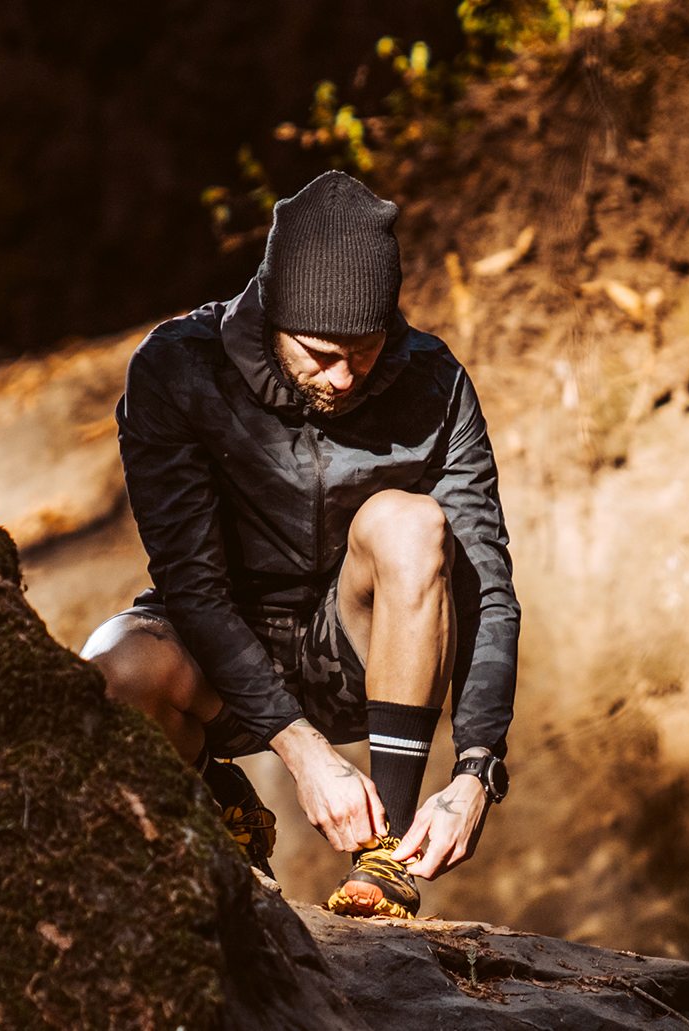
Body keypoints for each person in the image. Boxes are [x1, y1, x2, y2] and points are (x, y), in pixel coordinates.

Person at [82, 170, 518, 919]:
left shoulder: (434, 381)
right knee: (112, 669)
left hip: (360, 651)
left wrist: (478, 766)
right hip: (222, 645)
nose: (346, 377)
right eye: (320, 353)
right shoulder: (179, 369)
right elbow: (190, 582)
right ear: (271, 316)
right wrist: (302, 749)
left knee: (408, 523)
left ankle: (385, 859)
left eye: (367, 350)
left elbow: (487, 581)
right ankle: (215, 803)